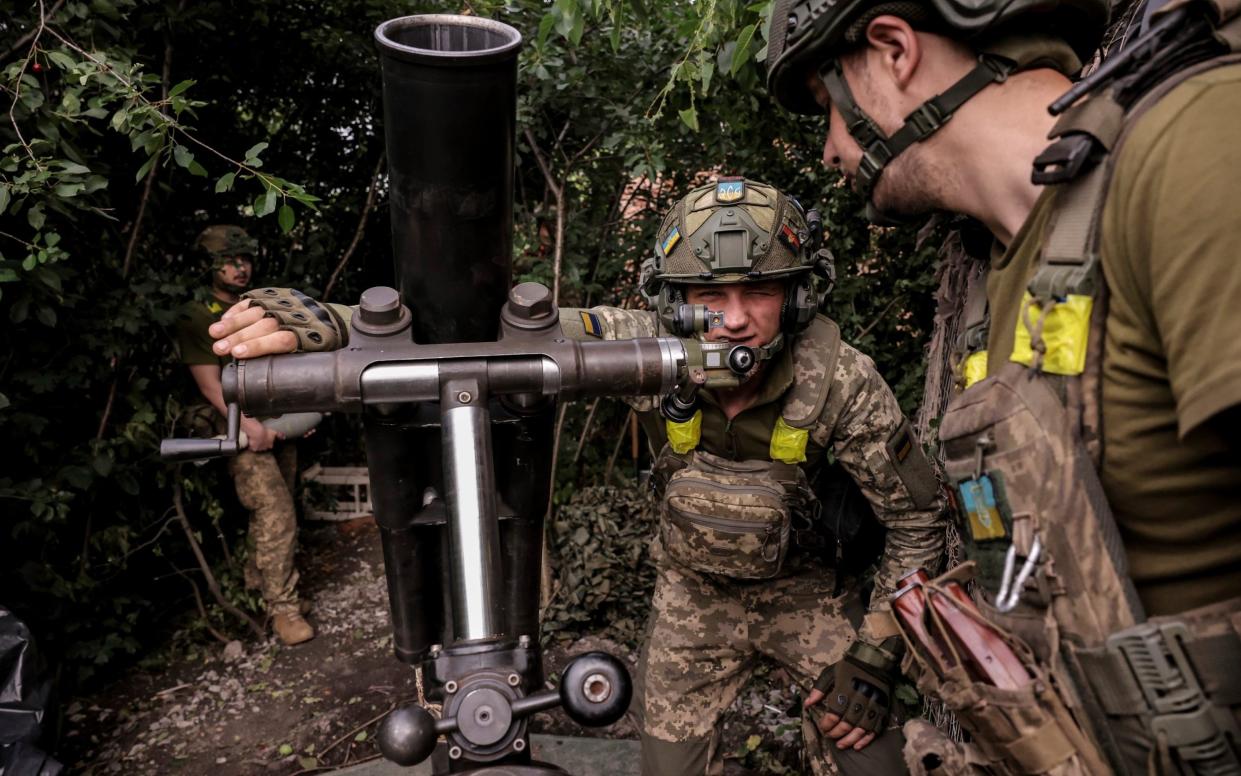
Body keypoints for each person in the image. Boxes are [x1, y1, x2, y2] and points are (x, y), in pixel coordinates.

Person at [207, 178, 948, 775]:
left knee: (872, 753)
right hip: (696, 595)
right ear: (674, 302)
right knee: (667, 765)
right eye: (707, 297)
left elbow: (918, 522)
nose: (734, 320)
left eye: (759, 291)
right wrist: (338, 323)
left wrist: (875, 654)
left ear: (799, 294)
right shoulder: (651, 347)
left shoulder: (844, 383)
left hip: (805, 592)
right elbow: (507, 339)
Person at [765, 0, 1241, 772]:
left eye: (828, 108)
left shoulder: (1195, 148)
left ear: (893, 50)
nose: (828, 151)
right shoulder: (1018, 271)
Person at [174, 225, 314, 647]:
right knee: (274, 510)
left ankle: (262, 587)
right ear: (209, 264)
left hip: (272, 418)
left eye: (245, 259)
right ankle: (283, 609)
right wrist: (250, 428)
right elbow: (209, 384)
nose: (240, 268)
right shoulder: (197, 313)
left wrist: (293, 419)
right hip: (233, 423)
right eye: (230, 260)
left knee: (281, 503)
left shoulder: (256, 306)